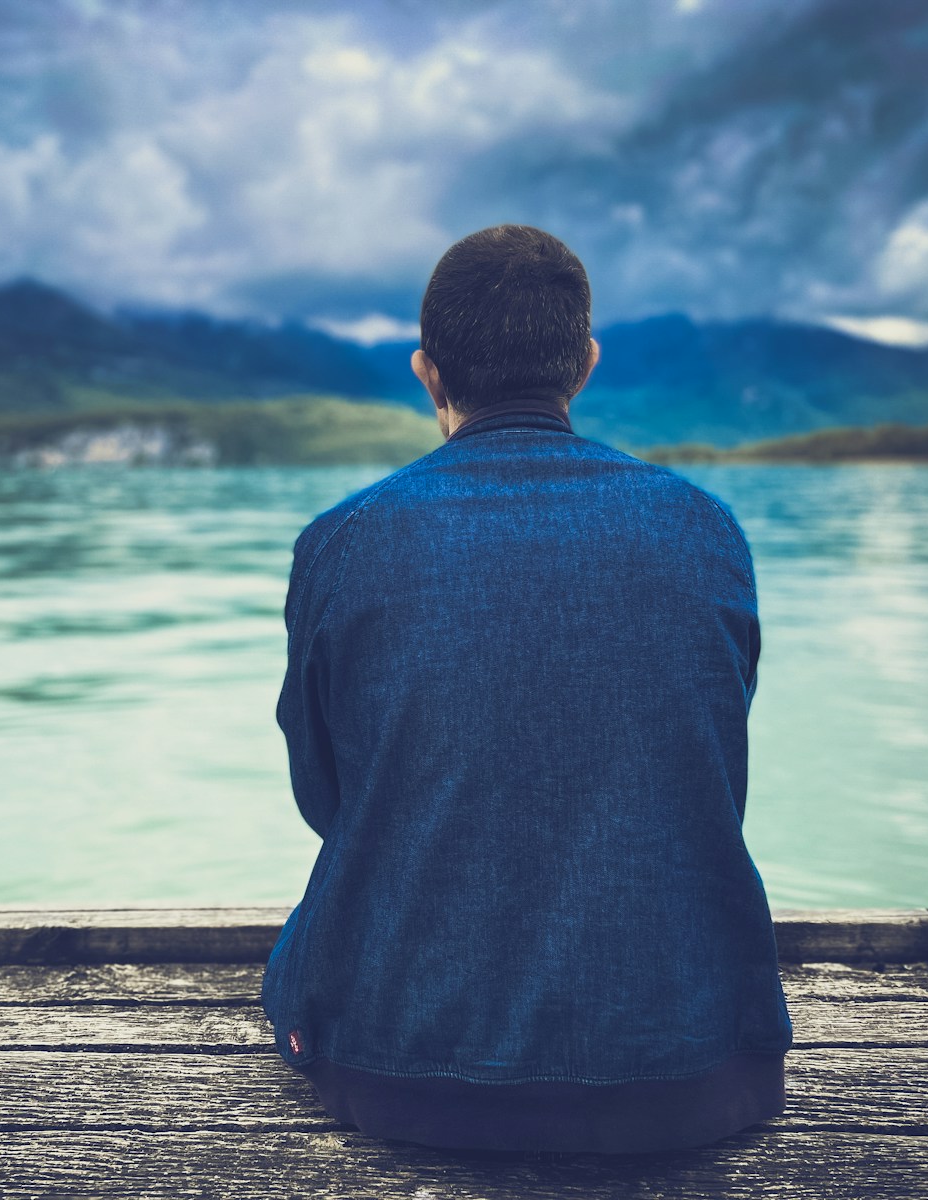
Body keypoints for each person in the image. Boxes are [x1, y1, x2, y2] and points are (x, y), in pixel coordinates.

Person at [260, 224, 793, 1155]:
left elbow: (327, 802)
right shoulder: (705, 529)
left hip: (399, 1079)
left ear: (428, 372)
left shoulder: (342, 543)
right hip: (697, 1076)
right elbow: (709, 776)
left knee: (307, 942)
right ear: (582, 367)